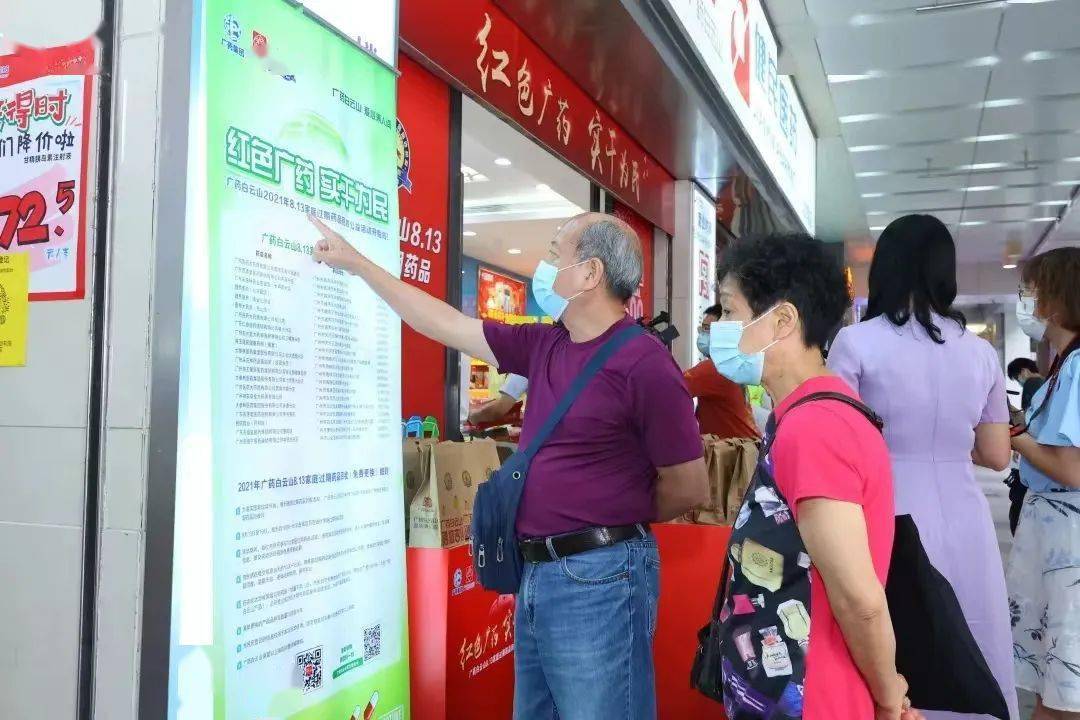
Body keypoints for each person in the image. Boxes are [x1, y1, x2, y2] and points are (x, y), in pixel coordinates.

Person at [311, 212, 708, 720]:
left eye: (556, 253)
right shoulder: (546, 343)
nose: (546, 265)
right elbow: (444, 323)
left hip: (601, 577)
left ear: (590, 273)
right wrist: (358, 264)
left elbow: (688, 484)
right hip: (534, 571)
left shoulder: (645, 363)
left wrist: (608, 510)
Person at [708, 233, 918, 720]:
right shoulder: (802, 414)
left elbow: (859, 599)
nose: (718, 326)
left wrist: (889, 696)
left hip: (812, 693)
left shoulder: (815, 428)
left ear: (782, 321)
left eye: (729, 310)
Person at [826, 214, 1018, 720]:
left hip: (885, 511)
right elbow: (996, 454)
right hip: (965, 512)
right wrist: (950, 445)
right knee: (970, 638)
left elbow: (837, 439)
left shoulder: (855, 343)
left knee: (896, 638)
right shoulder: (980, 353)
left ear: (884, 268)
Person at [1006, 247, 1080, 720]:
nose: (1027, 300)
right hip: (1054, 538)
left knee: (1066, 683)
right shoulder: (1063, 364)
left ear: (1057, 298)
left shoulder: (1077, 366)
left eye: (1031, 290)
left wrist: (1014, 438)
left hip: (1068, 543)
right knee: (1053, 680)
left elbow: (1072, 468)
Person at [685, 304, 759, 439]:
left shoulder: (715, 368)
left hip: (734, 450)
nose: (702, 334)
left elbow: (671, 388)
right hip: (744, 445)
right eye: (702, 328)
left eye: (707, 329)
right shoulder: (730, 361)